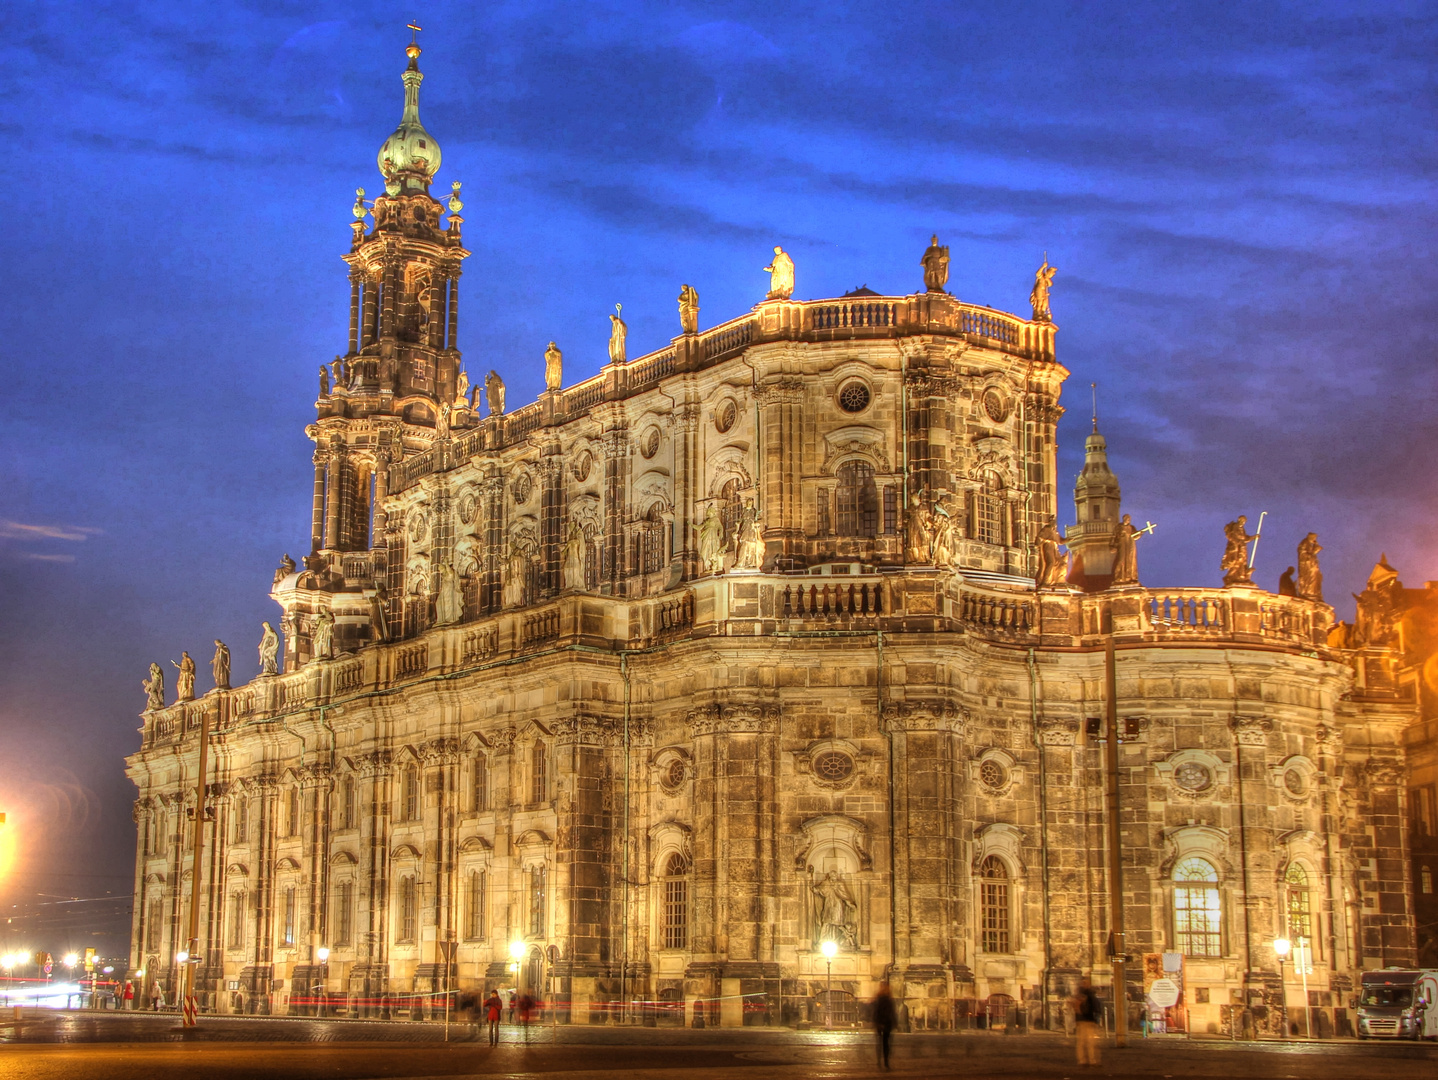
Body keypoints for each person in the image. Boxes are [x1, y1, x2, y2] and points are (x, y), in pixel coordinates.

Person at [1071, 976, 1101, 1067]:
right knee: (1089, 1042)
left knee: (1083, 1042)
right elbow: (1096, 1007)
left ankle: (1084, 1060)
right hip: (1087, 1020)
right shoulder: (1089, 994)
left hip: (1083, 1020)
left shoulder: (1079, 994)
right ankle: (1090, 1060)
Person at [871, 980, 897, 1069]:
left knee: (880, 1043)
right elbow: (889, 1012)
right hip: (886, 1023)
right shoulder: (886, 998)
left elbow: (876, 1011)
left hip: (881, 1023)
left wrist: (876, 1021)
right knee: (886, 1043)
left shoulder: (879, 998)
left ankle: (880, 1061)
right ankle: (885, 1061)